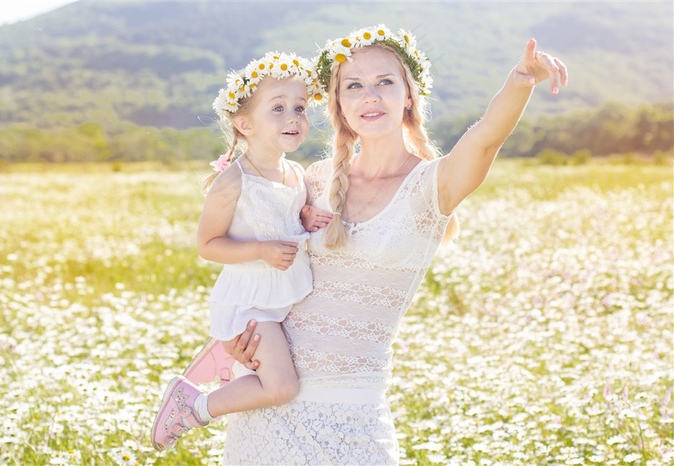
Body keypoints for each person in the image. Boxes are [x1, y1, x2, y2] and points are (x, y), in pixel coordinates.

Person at [219, 25, 568, 464]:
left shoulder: (431, 186)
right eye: (354, 86)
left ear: (408, 95)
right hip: (267, 403)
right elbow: (257, 264)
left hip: (354, 413)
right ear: (339, 105)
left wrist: (521, 80)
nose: (370, 96)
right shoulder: (314, 179)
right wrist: (236, 334)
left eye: (385, 81)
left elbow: (484, 138)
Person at [150, 51, 331, 451]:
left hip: (285, 295)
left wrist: (305, 215)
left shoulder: (295, 173)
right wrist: (261, 250)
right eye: (278, 108)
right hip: (252, 303)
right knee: (282, 387)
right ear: (244, 123)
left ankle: (221, 360)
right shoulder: (232, 181)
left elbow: (280, 215)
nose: (293, 117)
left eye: (300, 108)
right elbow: (207, 245)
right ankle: (193, 405)